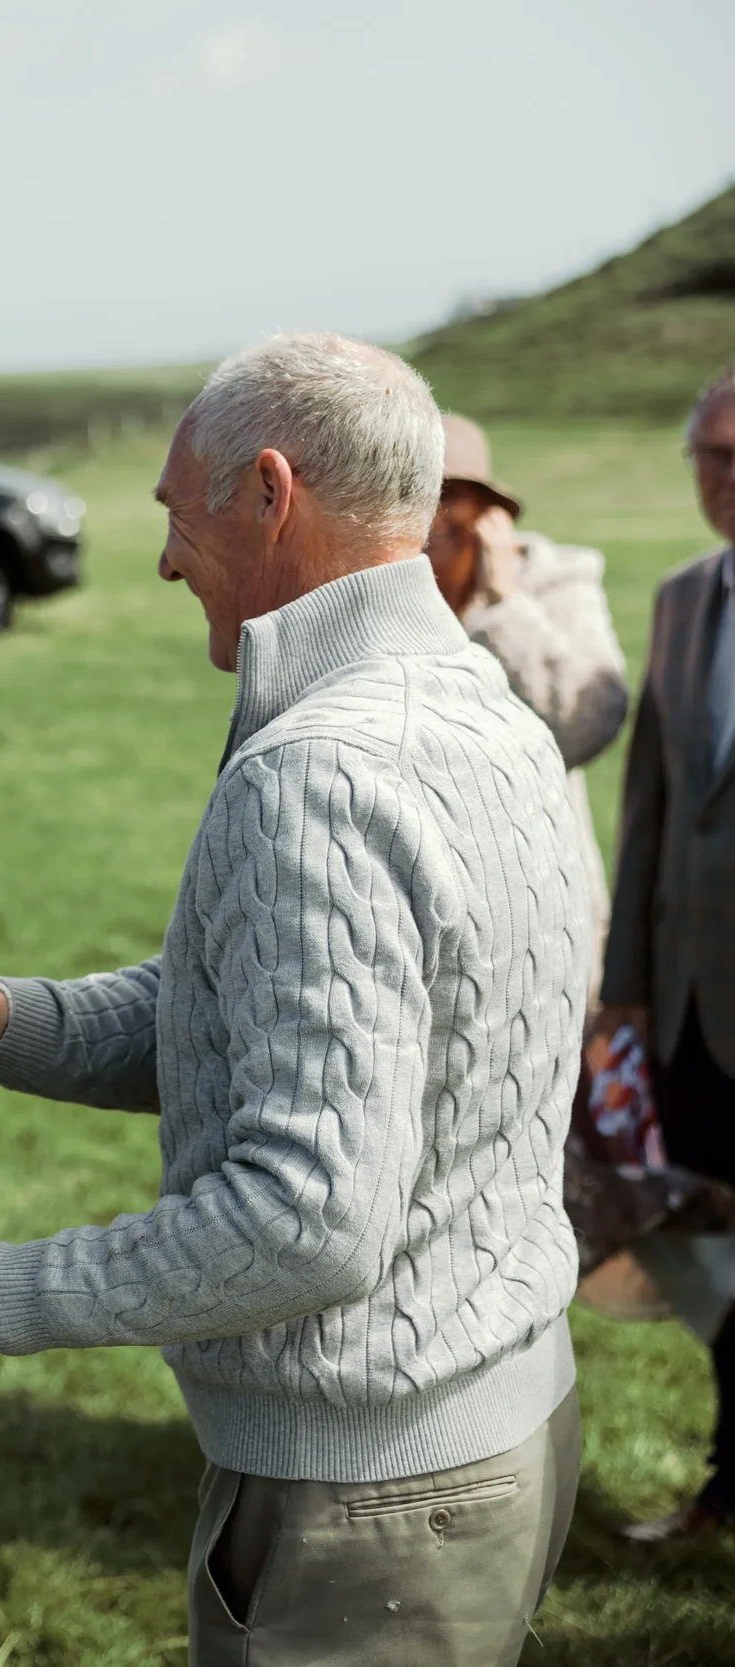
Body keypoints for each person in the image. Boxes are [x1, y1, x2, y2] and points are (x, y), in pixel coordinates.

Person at [0, 335, 587, 1665]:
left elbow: (307, 1218)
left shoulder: (320, 772)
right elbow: (292, 1011)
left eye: (176, 511)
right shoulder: (476, 703)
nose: (166, 560)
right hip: (488, 1424)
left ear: (269, 491)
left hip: (369, 1503)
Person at [599, 361, 735, 1543]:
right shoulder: (684, 597)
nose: (725, 475)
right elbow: (649, 799)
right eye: (710, 455)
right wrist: (624, 987)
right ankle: (728, 1485)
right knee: (698, 1234)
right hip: (691, 1000)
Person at [426, 412, 628, 983]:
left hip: (540, 905)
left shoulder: (554, 582)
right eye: (413, 494)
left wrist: (504, 604)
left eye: (450, 497)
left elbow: (585, 724)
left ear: (490, 515)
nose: (431, 517)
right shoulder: (379, 592)